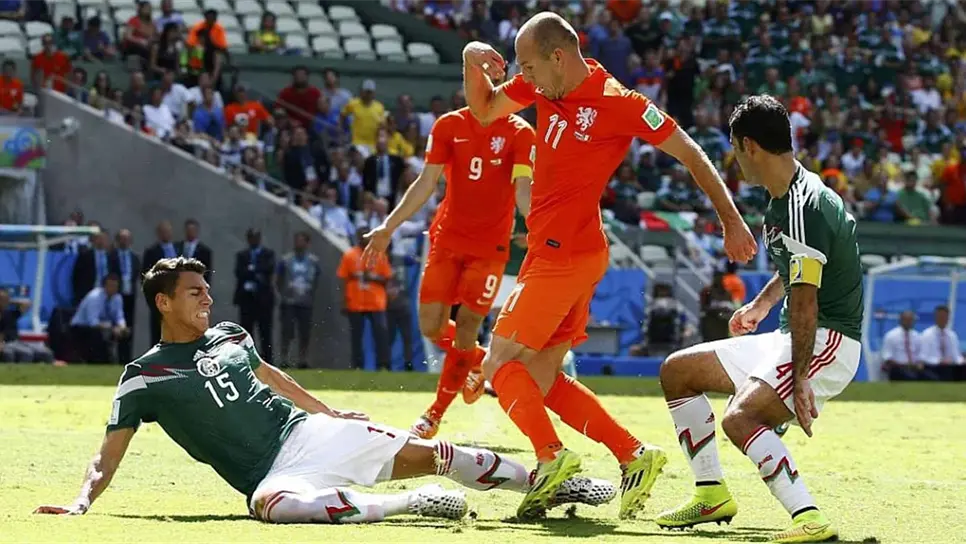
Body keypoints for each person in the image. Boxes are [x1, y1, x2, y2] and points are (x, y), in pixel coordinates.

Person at [33, 258, 615, 522]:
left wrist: (330, 412)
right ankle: (411, 504)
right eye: (194, 293)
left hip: (309, 434)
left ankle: (550, 484)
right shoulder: (143, 375)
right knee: (272, 507)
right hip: (270, 474)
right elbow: (108, 454)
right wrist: (82, 501)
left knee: (438, 454)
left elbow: (273, 377)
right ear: (163, 303)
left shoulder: (232, 334)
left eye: (207, 290)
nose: (207, 298)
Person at [460, 12, 756, 519]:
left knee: (499, 364)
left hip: (563, 255)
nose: (523, 79)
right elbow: (485, 108)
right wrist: (471, 58)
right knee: (541, 377)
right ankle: (633, 454)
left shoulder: (619, 102)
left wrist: (731, 220)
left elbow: (691, 153)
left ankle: (551, 458)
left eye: (528, 67)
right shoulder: (544, 86)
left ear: (558, 57)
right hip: (567, 252)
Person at [655, 96, 863, 543]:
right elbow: (796, 271)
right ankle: (711, 494)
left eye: (734, 148)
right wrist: (761, 306)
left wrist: (800, 378)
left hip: (827, 340)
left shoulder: (804, 207)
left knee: (740, 418)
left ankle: (809, 517)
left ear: (749, 145)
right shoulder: (786, 198)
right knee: (678, 371)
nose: (734, 159)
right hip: (793, 334)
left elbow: (806, 302)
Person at [364, 105, 534, 439]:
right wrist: (388, 227)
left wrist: (540, 230)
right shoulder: (449, 124)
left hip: (490, 247)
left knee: (467, 327)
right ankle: (479, 360)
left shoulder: (520, 132)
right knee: (431, 327)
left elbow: (523, 189)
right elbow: (426, 181)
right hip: (446, 240)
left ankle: (434, 414)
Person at [338, 230, 391, 370]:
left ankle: (383, 364)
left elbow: (386, 278)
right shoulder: (350, 255)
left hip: (376, 302)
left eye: (367, 236)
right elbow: (343, 278)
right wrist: (343, 301)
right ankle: (357, 365)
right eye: (362, 236)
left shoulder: (379, 254)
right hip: (355, 302)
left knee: (381, 335)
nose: (364, 239)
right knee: (356, 336)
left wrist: (373, 277)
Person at [276, 231, 320, 369]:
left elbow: (316, 280)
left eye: (301, 241)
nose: (298, 243)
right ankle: (284, 357)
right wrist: (284, 292)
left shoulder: (313, 261)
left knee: (304, 332)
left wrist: (310, 293)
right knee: (287, 331)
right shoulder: (286, 260)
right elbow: (279, 279)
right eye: (297, 241)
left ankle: (302, 359)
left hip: (305, 301)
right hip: (289, 301)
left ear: (307, 243)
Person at [233, 228, 276, 361]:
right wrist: (255, 272)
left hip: (263, 299)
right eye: (251, 237)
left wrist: (252, 270)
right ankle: (247, 359)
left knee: (265, 332)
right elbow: (239, 272)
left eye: (255, 237)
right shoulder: (242, 255)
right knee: (246, 331)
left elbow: (267, 269)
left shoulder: (268, 254)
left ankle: (267, 360)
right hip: (246, 298)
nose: (253, 240)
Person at [69, 274, 130, 363]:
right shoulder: (95, 297)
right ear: (104, 286)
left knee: (125, 334)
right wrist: (112, 328)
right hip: (80, 328)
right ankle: (99, 361)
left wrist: (122, 328)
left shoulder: (117, 298)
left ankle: (123, 362)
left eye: (115, 286)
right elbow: (93, 322)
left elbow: (119, 317)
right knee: (97, 334)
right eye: (111, 286)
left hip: (104, 327)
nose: (113, 289)